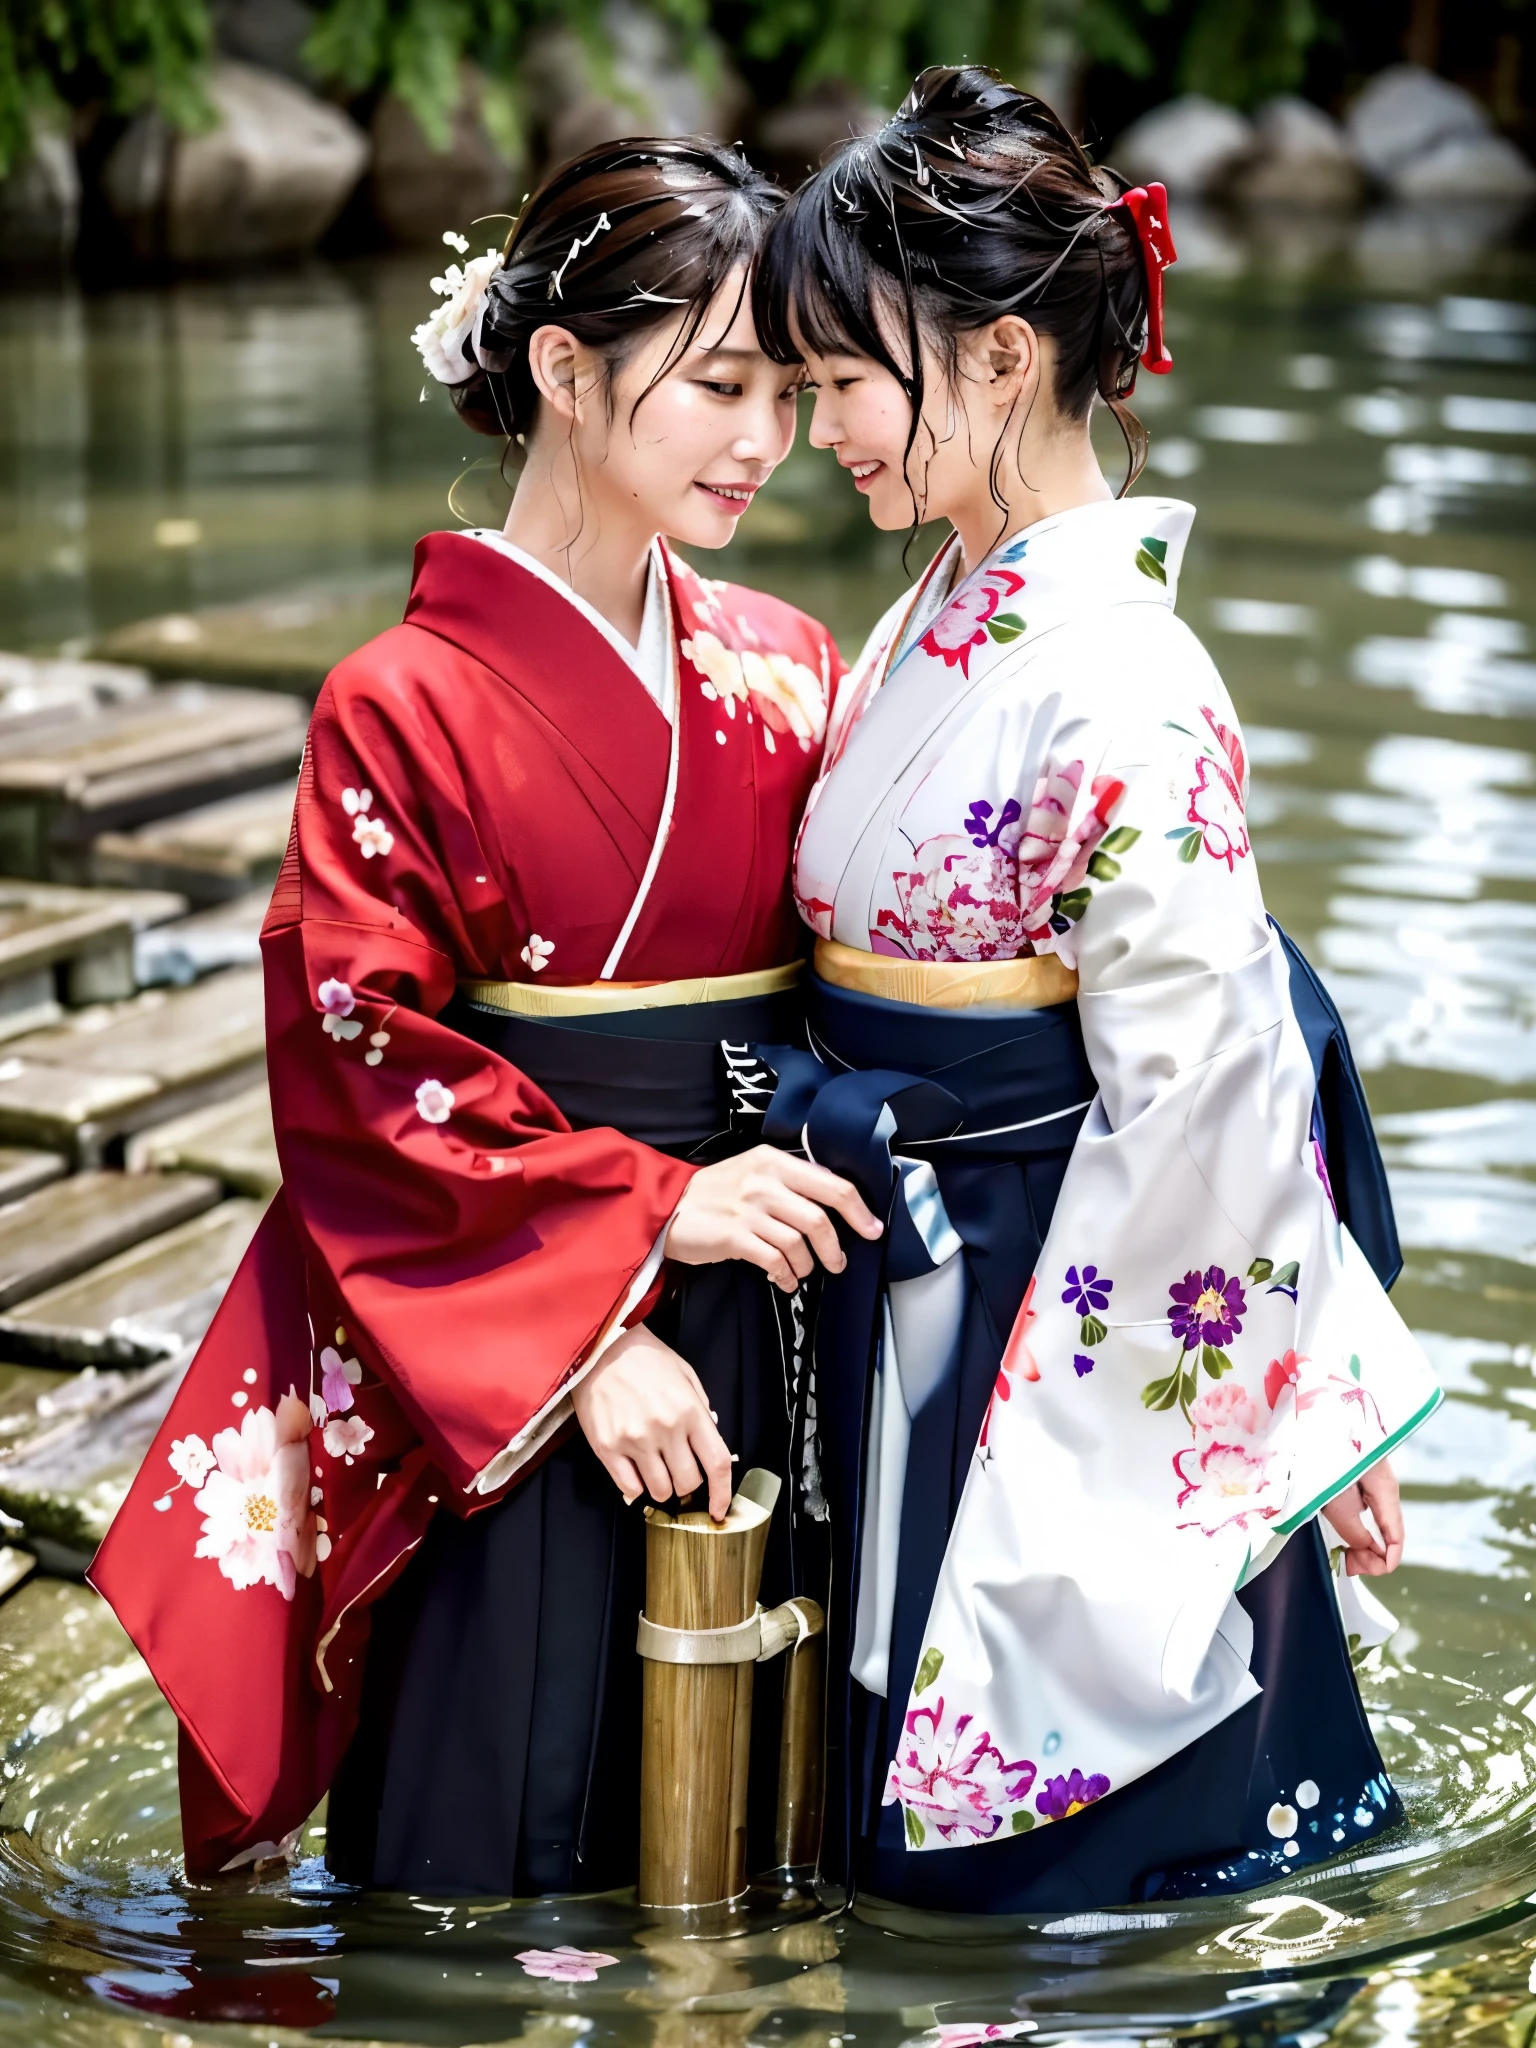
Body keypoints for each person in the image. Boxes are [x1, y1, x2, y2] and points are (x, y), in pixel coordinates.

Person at [91, 136, 881, 1895]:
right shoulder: (403, 702)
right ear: (563, 368)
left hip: (762, 1281)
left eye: (795, 389)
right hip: (519, 1324)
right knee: (493, 1833)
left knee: (752, 1802)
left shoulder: (793, 664)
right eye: (723, 385)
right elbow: (362, 1061)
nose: (768, 440)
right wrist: (600, 1318)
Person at [750, 66, 1441, 1910]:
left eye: (840, 380)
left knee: (1061, 1859)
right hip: (914, 1256)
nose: (819, 430)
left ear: (995, 360)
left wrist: (1232, 1420)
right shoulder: (944, 615)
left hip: (1054, 1302)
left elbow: (1213, 1095)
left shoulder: (1122, 679)